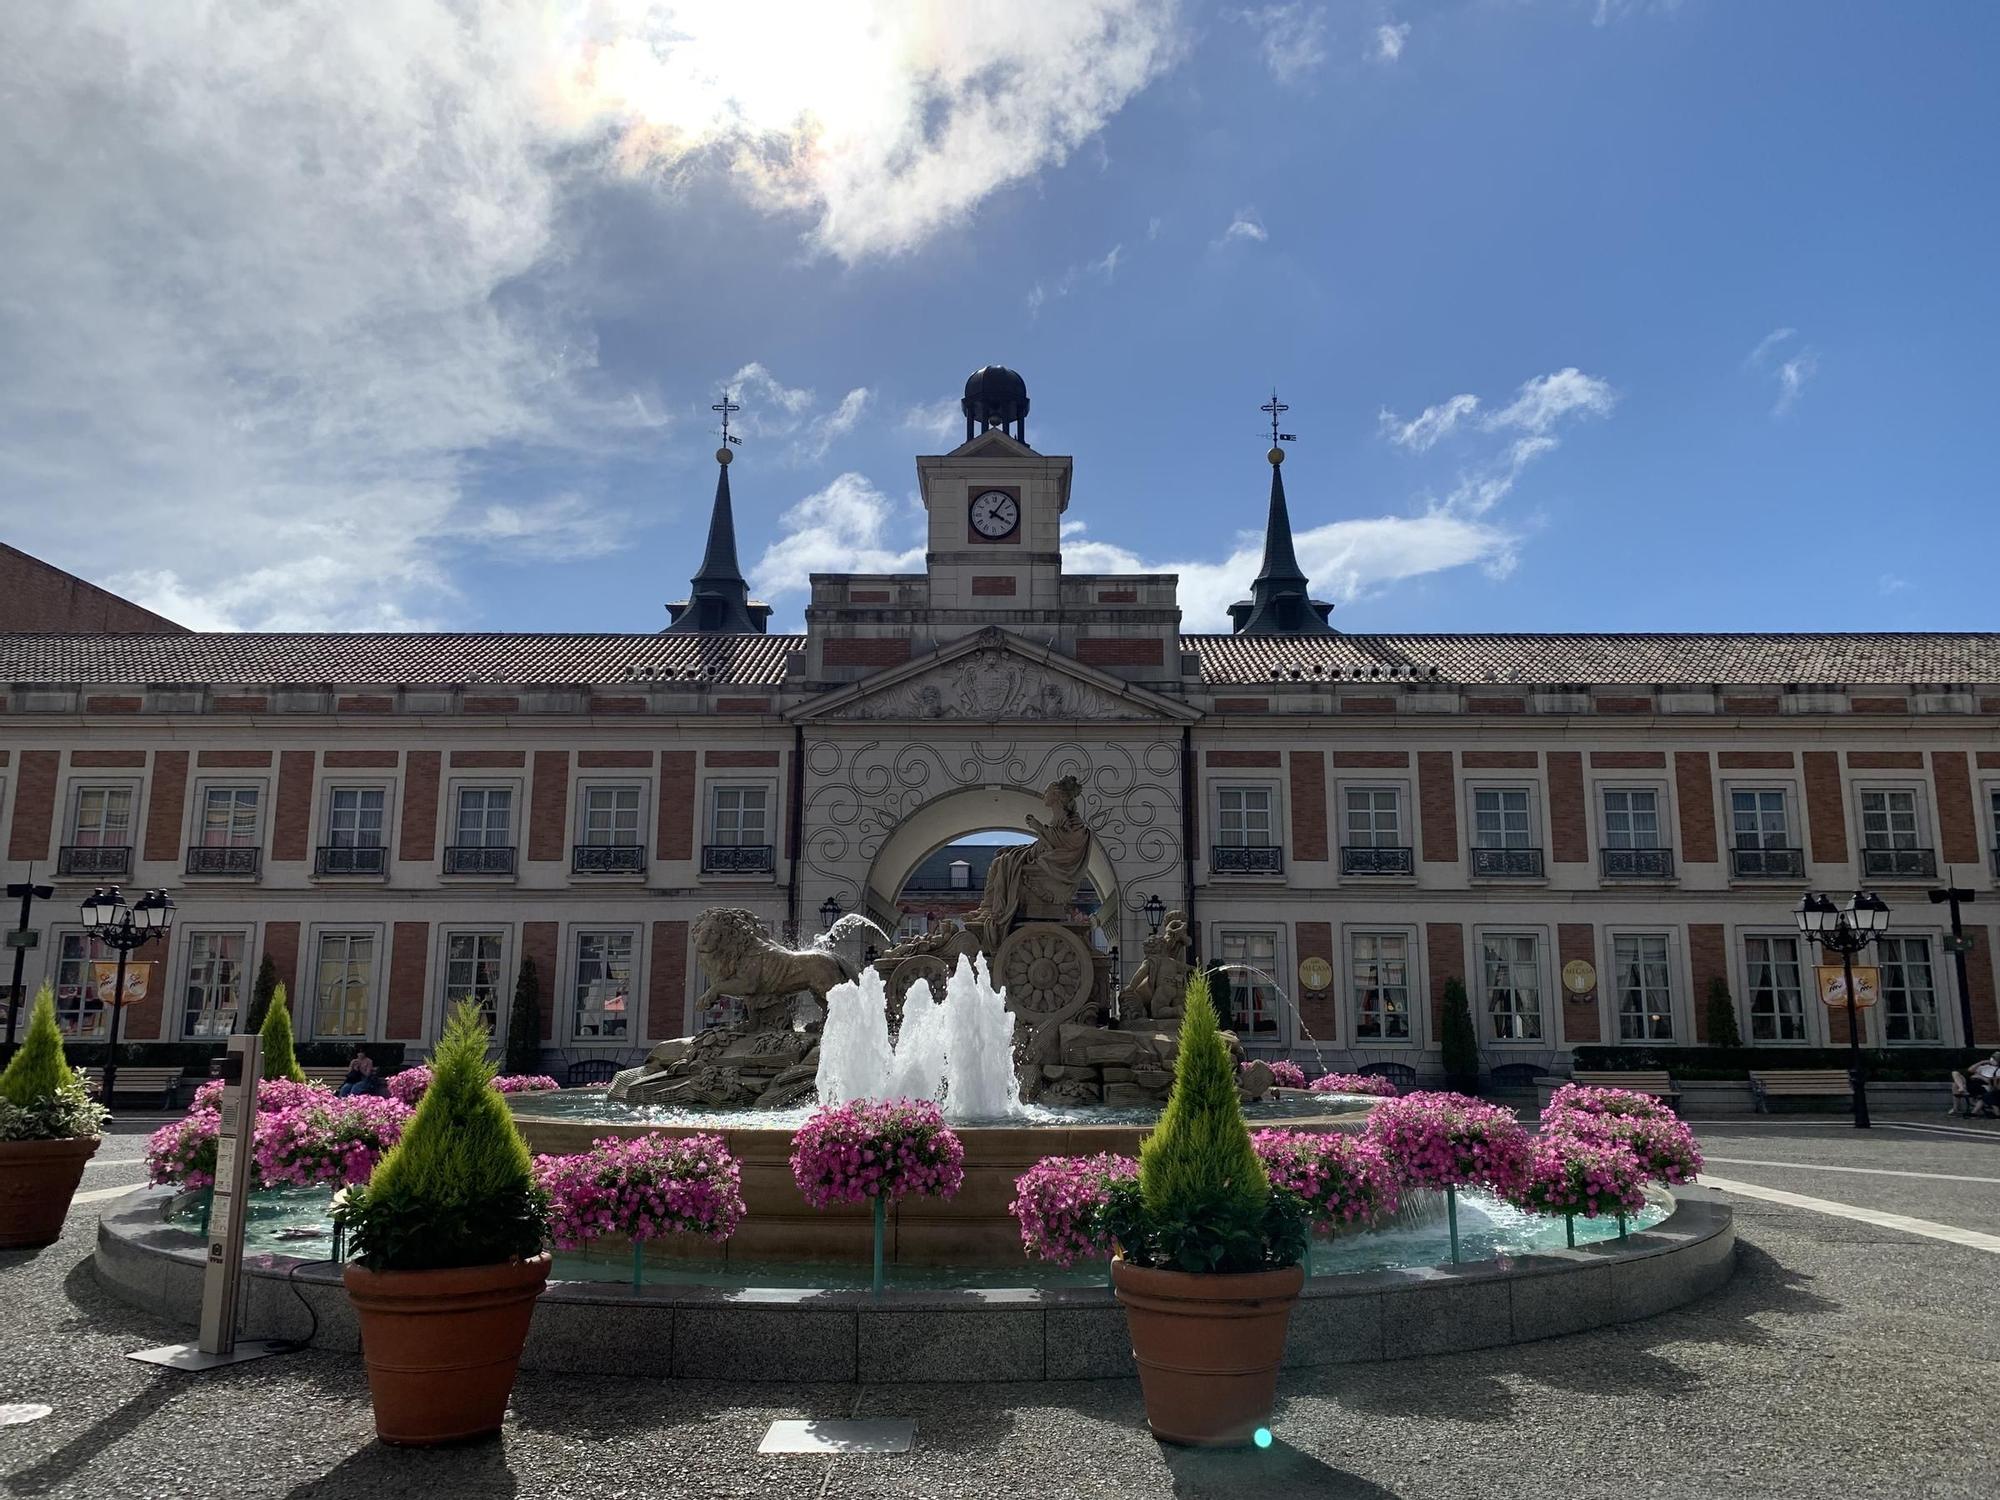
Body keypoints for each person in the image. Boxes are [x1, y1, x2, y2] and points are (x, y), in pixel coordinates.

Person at [1969, 1052, 2000, 1118]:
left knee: (1986, 1096)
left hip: (1987, 1086)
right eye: (1993, 1058)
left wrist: (1980, 1077)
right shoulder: (1984, 1067)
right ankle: (1974, 1112)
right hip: (1976, 1083)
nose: (1992, 1060)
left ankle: (1974, 1112)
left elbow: (1994, 1082)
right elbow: (1970, 1070)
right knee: (1956, 1074)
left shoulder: (1998, 1070)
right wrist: (1981, 1062)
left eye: (1995, 1058)